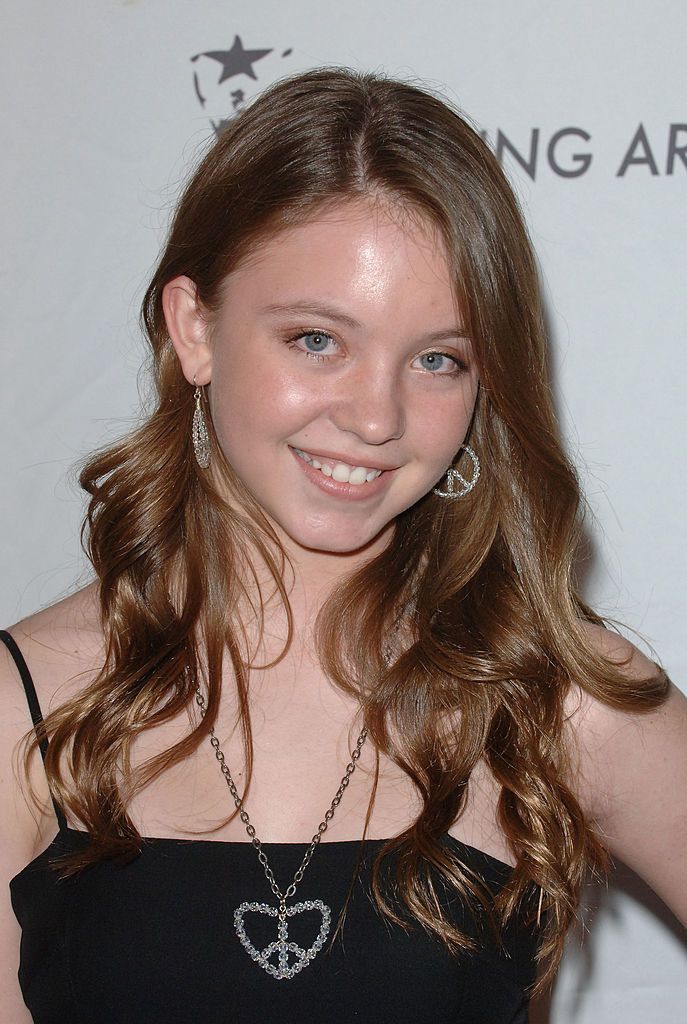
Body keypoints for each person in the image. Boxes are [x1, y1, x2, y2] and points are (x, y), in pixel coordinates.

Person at [1, 66, 685, 1024]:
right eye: (317, 340)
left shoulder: (553, 697)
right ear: (194, 327)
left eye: (438, 360)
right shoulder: (24, 708)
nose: (376, 416)